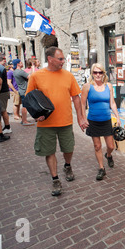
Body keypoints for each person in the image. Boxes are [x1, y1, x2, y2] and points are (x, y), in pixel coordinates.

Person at [25, 46, 88, 196]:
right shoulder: (36, 76)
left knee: (68, 148)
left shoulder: (68, 76)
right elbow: (29, 99)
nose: (63, 62)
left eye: (63, 59)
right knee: (49, 151)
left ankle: (67, 165)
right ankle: (55, 179)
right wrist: (35, 115)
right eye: (60, 59)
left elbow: (76, 97)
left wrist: (80, 117)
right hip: (45, 124)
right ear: (50, 59)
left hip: (65, 121)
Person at [80, 63, 120, 181]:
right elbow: (82, 103)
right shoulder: (87, 86)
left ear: (103, 73)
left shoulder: (108, 86)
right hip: (93, 120)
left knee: (111, 146)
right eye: (95, 72)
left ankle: (108, 155)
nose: (97, 75)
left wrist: (117, 117)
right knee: (97, 146)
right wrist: (83, 118)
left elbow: (112, 103)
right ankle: (101, 168)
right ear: (92, 73)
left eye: (100, 72)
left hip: (106, 120)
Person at [13, 59, 34, 126]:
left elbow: (26, 74)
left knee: (24, 105)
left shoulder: (16, 71)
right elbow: (31, 77)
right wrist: (33, 67)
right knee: (25, 106)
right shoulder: (20, 72)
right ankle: (24, 121)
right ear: (18, 64)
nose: (22, 63)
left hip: (21, 90)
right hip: (25, 91)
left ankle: (23, 120)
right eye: (21, 62)